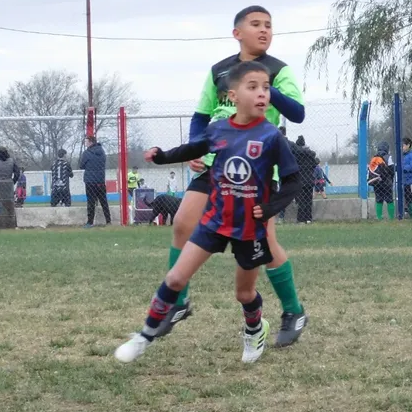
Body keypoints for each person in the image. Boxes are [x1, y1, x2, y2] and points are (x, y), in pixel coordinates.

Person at [114, 60, 301, 365]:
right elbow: (192, 149)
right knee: (175, 279)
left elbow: (293, 181)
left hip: (249, 230)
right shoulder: (219, 130)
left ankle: (255, 328)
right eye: (252, 87)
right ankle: (144, 336)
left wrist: (268, 209)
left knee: (244, 295)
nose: (262, 94)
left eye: (265, 88)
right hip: (214, 223)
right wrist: (161, 158)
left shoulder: (272, 137)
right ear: (232, 96)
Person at [158, 5, 308, 347]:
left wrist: (265, 86)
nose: (264, 30)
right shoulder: (219, 72)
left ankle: (293, 310)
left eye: (269, 25)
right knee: (183, 223)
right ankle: (178, 304)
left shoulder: (277, 71)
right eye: (256, 24)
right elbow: (201, 116)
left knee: (266, 243)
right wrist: (197, 149)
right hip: (217, 163)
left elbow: (297, 113)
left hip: (255, 172)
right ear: (237, 32)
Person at [80, 135, 111, 227]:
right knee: (103, 201)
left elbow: (81, 165)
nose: (85, 144)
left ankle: (90, 222)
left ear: (90, 142)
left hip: (90, 181)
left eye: (86, 142)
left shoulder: (87, 153)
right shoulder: (102, 152)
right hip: (100, 180)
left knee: (91, 201)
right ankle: (108, 221)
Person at [291, 136, 318, 224]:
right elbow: (315, 164)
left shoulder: (296, 156)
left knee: (301, 200)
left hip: (300, 180)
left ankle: (301, 219)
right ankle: (308, 218)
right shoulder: (310, 155)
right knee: (308, 200)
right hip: (309, 180)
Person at [368, 141, 395, 219]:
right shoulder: (388, 157)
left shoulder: (374, 158)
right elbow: (392, 170)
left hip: (377, 183)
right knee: (389, 200)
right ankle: (391, 217)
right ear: (387, 149)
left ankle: (379, 217)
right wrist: (391, 179)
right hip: (387, 182)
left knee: (379, 200)